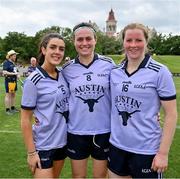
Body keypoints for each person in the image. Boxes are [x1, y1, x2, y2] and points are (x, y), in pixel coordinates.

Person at [108, 23, 177, 178]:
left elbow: (171, 114)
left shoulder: (160, 72)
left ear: (146, 42)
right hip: (117, 146)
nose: (133, 45)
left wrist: (163, 153)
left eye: (138, 40)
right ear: (123, 42)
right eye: (129, 40)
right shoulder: (115, 72)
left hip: (147, 150)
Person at [62, 22, 116, 178]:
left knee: (100, 177)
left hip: (103, 131)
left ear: (95, 40)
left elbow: (122, 91)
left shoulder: (109, 64)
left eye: (88, 38)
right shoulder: (67, 69)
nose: (84, 43)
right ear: (74, 42)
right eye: (80, 39)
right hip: (76, 131)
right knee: (79, 177)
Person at [21, 33, 69, 178]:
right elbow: (25, 120)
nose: (57, 52)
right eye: (53, 47)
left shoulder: (63, 75)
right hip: (43, 145)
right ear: (43, 50)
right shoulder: (33, 80)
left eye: (61, 49)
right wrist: (31, 153)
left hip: (62, 143)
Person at [3, 49, 20, 115]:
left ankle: (13, 108)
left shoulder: (13, 63)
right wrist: (14, 74)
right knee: (8, 95)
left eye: (15, 56)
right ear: (10, 56)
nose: (15, 57)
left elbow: (16, 71)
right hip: (9, 81)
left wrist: (17, 74)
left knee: (13, 95)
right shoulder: (6, 62)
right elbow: (4, 72)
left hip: (14, 81)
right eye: (14, 56)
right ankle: (8, 110)